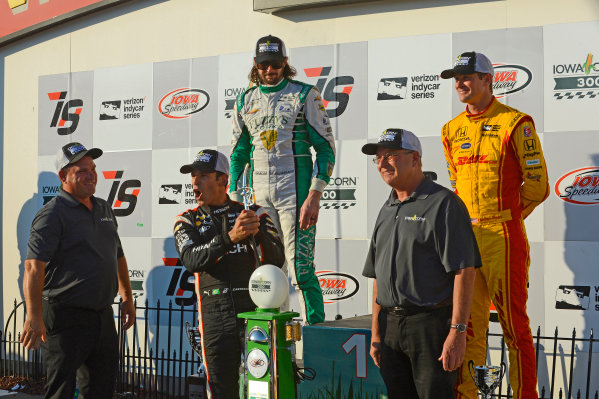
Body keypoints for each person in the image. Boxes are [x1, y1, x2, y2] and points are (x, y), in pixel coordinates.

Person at [440, 51, 549, 399]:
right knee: (467, 328)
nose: (460, 83)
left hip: (503, 235)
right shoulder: (450, 130)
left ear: (488, 80)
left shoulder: (516, 122)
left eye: (468, 77)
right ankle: (468, 395)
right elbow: (456, 183)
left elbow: (538, 186)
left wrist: (509, 217)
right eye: (456, 78)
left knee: (515, 327)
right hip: (466, 238)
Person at [362, 129, 480, 399]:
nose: (382, 163)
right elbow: (378, 276)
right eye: (378, 158)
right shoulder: (387, 207)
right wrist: (377, 334)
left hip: (430, 328)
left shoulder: (444, 204)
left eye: (390, 155)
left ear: (415, 158)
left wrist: (458, 332)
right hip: (390, 328)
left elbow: (464, 270)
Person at [230, 34, 335, 325]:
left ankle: (315, 340)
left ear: (285, 62)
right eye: (264, 65)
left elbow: (326, 150)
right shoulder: (243, 100)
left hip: (296, 193)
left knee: (300, 271)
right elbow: (239, 153)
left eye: (275, 64)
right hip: (260, 195)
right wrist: (237, 201)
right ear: (255, 65)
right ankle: (274, 347)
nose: (269, 70)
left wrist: (314, 196)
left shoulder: (305, 94)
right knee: (267, 271)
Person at [21, 142, 136, 399]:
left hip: (102, 317)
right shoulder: (51, 214)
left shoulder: (104, 208)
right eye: (82, 170)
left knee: (101, 389)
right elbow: (33, 266)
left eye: (92, 168)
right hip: (64, 318)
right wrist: (34, 315)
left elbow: (117, 255)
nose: (91, 174)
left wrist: (127, 297)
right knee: (61, 390)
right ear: (63, 176)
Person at [174, 149, 285, 399]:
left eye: (202, 176)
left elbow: (277, 260)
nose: (194, 182)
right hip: (215, 314)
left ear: (223, 180)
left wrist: (259, 235)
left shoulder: (254, 212)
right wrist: (229, 238)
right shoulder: (186, 220)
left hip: (254, 310)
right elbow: (192, 259)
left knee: (264, 386)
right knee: (221, 389)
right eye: (193, 176)